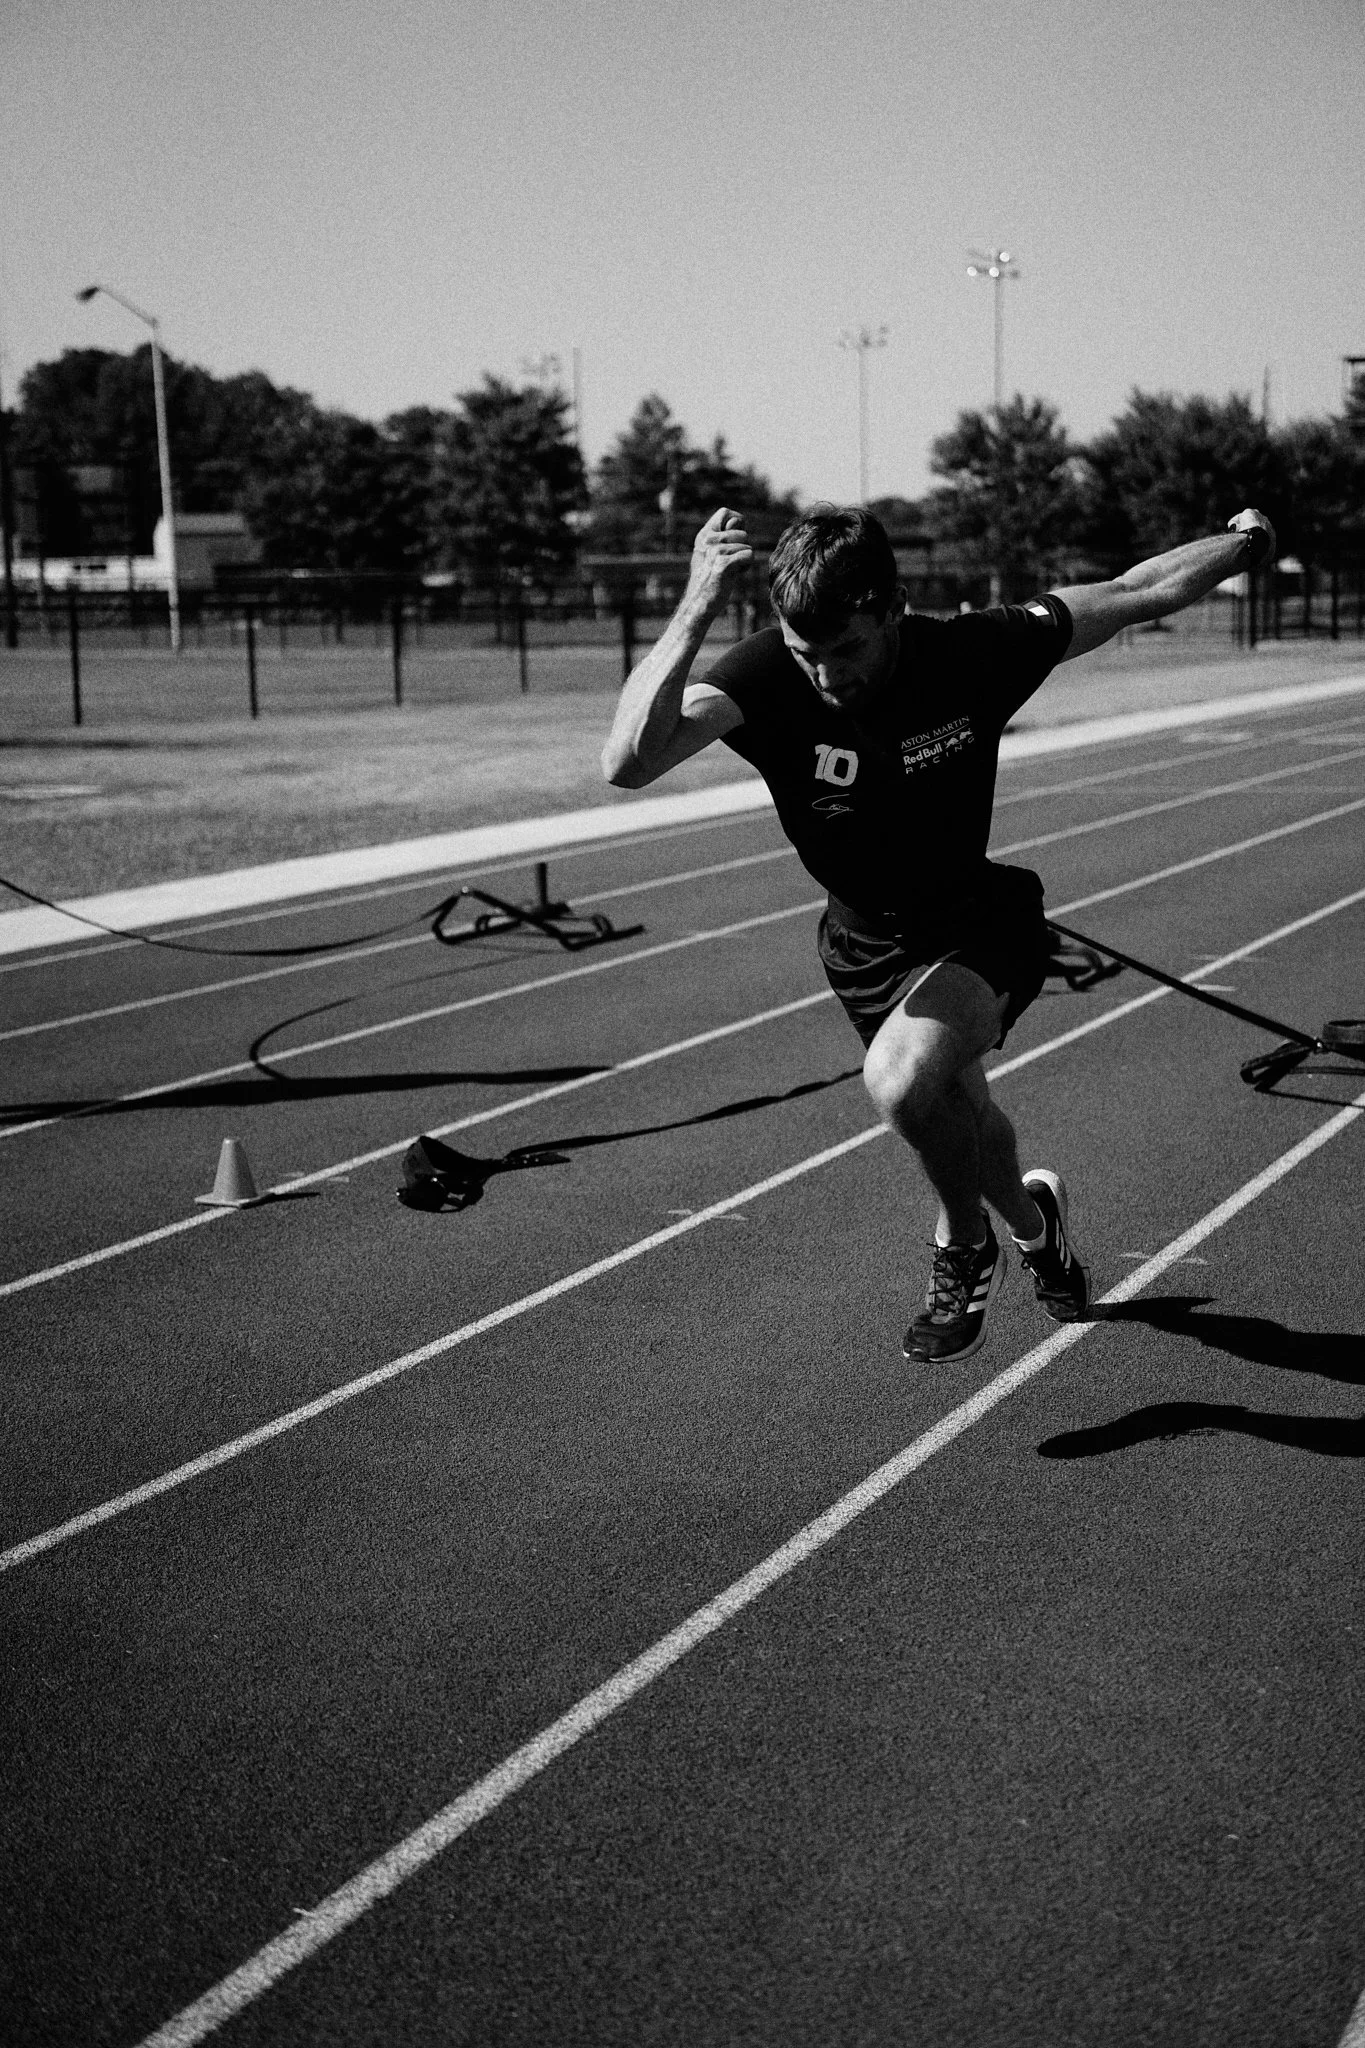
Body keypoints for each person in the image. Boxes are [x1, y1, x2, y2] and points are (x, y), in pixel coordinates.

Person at [601, 503, 1276, 1363]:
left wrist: (1249, 541)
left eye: (845, 650)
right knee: (961, 1114)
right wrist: (696, 603)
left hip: (978, 922)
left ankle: (965, 1244)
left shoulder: (969, 654)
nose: (825, 677)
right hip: (863, 944)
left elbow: (1136, 589)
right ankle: (1038, 1232)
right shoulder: (767, 673)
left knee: (898, 1083)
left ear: (890, 608)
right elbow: (626, 762)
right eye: (807, 654)